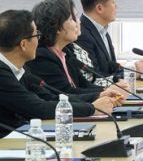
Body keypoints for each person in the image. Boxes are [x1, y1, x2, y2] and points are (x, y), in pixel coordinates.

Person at [0, 10, 117, 138]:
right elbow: (38, 108)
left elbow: (51, 97)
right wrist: (92, 109)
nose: (38, 40)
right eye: (36, 35)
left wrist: (96, 96)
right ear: (23, 44)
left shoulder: (21, 69)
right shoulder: (2, 73)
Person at [27, 0, 126, 101]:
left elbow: (84, 85)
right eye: (71, 19)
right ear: (57, 27)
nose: (77, 24)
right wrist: (101, 94)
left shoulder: (66, 53)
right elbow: (66, 93)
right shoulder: (42, 58)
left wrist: (108, 91)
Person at [76, 0, 143, 81]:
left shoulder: (102, 31)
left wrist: (133, 68)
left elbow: (111, 71)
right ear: (99, 8)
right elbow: (94, 77)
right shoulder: (81, 34)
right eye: (113, 2)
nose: (116, 6)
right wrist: (131, 73)